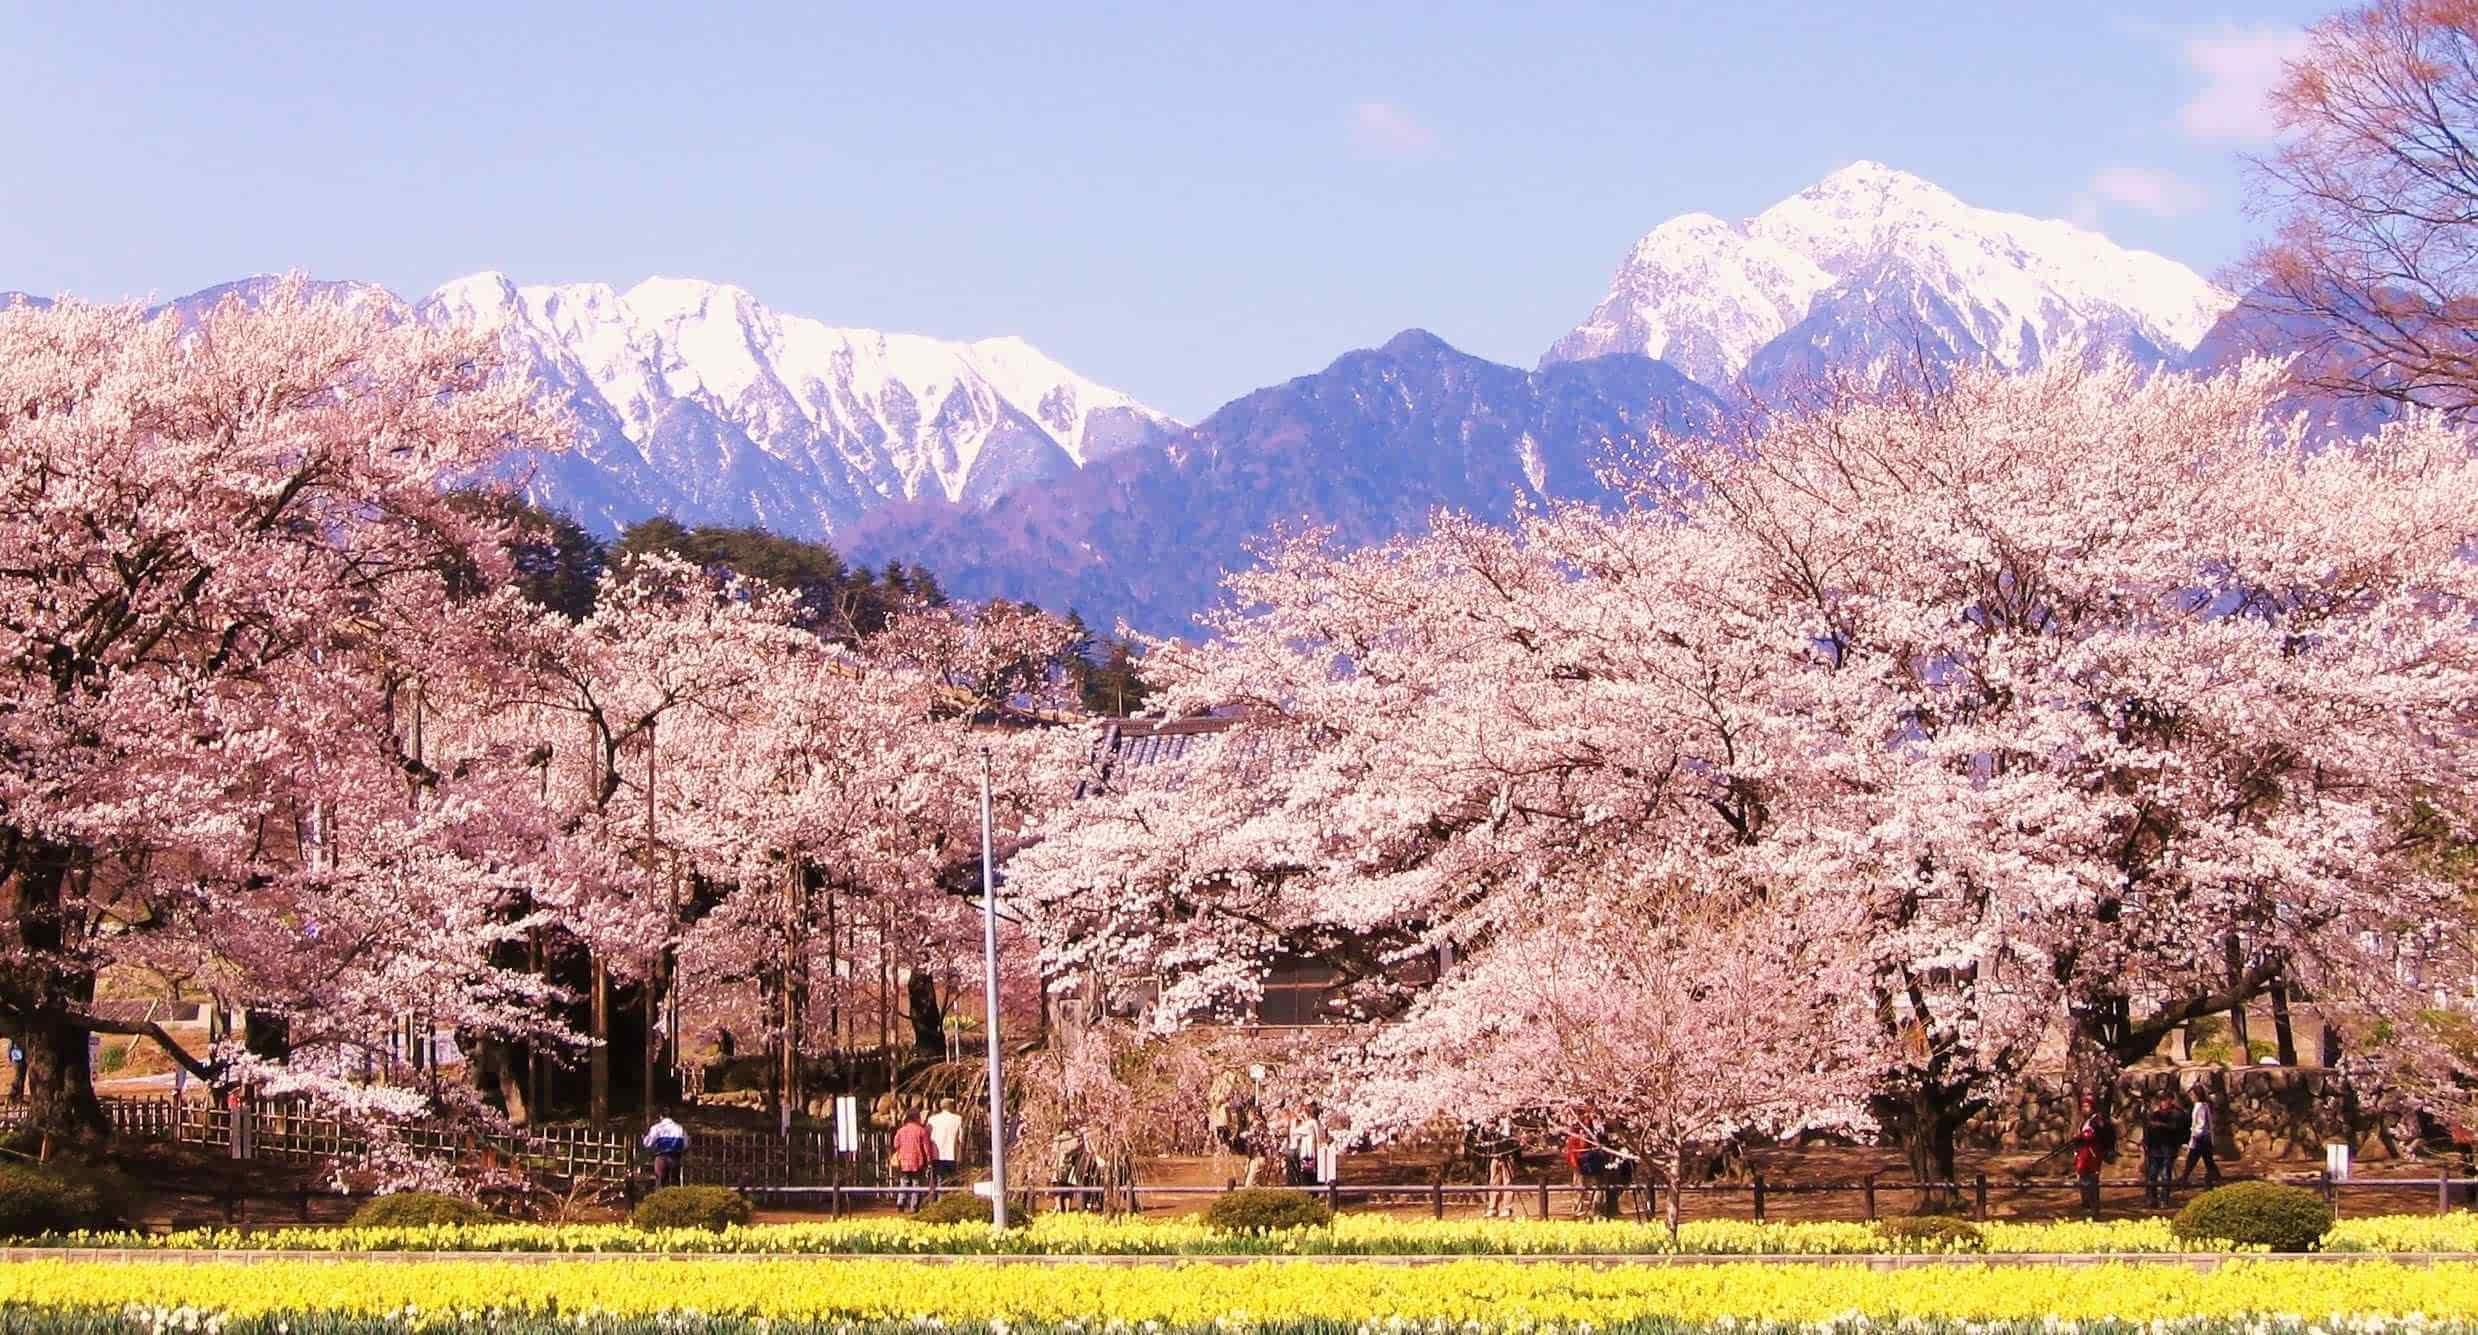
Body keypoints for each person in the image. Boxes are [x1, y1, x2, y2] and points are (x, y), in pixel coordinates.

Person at [2140, 1093, 2184, 1207]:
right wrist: (2145, 1142)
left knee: (2165, 1174)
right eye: (2162, 1100)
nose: (2164, 1103)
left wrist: (2160, 1125)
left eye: (2166, 1100)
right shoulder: (2154, 1115)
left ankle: (2164, 1199)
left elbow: (2176, 1128)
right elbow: (2148, 1130)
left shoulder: (2176, 1114)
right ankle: (2152, 1199)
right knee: (2152, 1174)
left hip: (2168, 1149)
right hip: (2155, 1149)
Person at [2070, 1100, 2109, 1218]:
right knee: (2083, 1178)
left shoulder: (2096, 1120)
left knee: (2092, 1180)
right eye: (2083, 1106)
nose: (2084, 1108)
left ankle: (2093, 1208)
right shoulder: (2085, 1121)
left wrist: (2081, 1136)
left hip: (2092, 1154)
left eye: (2087, 1106)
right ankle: (2086, 1204)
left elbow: (2094, 1134)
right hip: (2083, 1153)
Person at [891, 1107, 934, 1211]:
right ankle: (914, 1206)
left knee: (904, 1182)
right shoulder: (921, 1131)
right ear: (916, 1118)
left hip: (903, 1161)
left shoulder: (901, 1130)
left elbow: (895, 1144)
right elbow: (926, 1148)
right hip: (917, 1161)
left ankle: (900, 1202)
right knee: (916, 1183)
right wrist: (929, 1160)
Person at [926, 1098, 965, 1201]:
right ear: (951, 1106)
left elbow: (927, 1137)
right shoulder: (958, 1119)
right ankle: (948, 1201)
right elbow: (961, 1139)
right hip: (952, 1154)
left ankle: (939, 1200)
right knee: (951, 1180)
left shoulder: (932, 1119)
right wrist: (960, 1154)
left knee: (938, 1179)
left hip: (936, 1154)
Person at [2180, 1090, 2221, 1187]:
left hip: (2201, 1137)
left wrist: (2195, 1134)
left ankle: (2184, 1178)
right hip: (2204, 1137)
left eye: (2192, 1094)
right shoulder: (2204, 1105)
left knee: (2193, 1158)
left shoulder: (2200, 1106)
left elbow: (2201, 1123)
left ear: (2196, 1095)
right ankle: (2216, 1176)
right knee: (2207, 1159)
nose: (2191, 1097)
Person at [642, 1111, 689, 1188]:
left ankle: (660, 1198)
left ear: (661, 1116)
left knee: (660, 1181)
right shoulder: (680, 1128)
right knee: (675, 1181)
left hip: (661, 1156)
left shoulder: (657, 1128)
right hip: (675, 1157)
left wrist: (644, 1139)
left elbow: (648, 1143)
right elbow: (686, 1144)